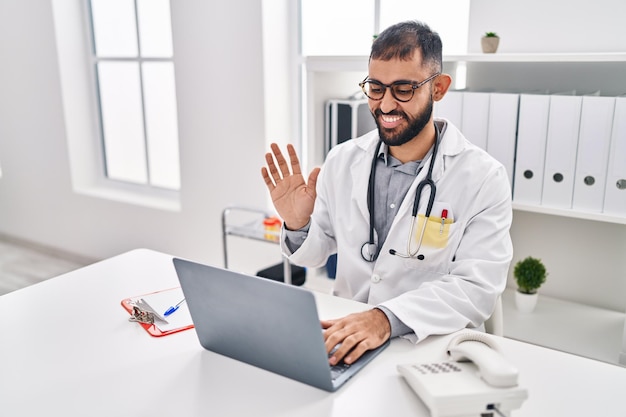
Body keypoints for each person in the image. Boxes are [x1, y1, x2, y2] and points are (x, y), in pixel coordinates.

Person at [261, 20, 512, 367]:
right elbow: (314, 254)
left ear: (438, 88)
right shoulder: (343, 160)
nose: (386, 105)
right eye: (376, 88)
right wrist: (298, 223)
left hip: (428, 349)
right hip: (347, 338)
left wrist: (383, 318)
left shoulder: (483, 177)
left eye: (404, 89)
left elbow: (476, 288)